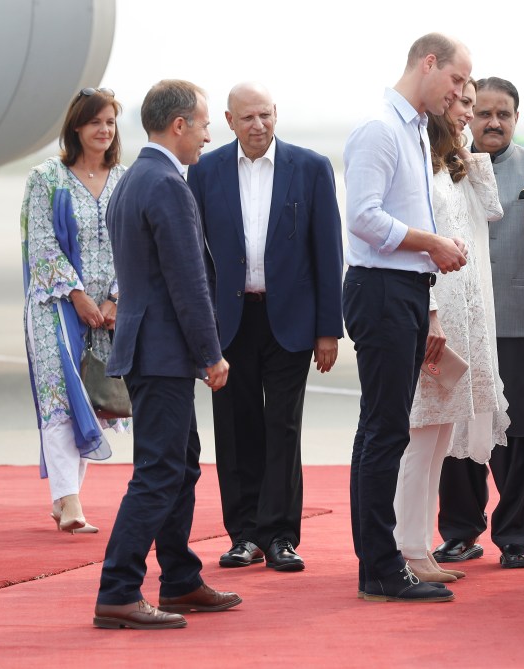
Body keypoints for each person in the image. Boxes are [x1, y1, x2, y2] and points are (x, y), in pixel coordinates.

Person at [94, 80, 240, 630]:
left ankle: (179, 579)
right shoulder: (167, 185)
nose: (208, 134)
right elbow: (187, 281)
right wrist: (211, 353)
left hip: (150, 350)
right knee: (159, 473)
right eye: (204, 124)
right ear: (178, 126)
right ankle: (118, 590)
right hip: (164, 354)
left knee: (179, 468)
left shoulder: (133, 179)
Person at [188, 82, 344, 573]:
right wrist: (201, 325)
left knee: (283, 425)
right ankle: (244, 535)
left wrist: (328, 328)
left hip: (290, 319)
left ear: (276, 115)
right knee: (235, 430)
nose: (259, 126)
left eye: (266, 115)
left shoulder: (310, 168)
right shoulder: (205, 171)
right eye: (248, 118)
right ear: (229, 122)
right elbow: (195, 255)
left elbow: (328, 251)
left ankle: (279, 535)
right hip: (230, 321)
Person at [343, 33, 471, 603]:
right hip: (382, 289)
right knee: (385, 428)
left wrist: (433, 251)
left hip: (406, 289)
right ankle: (379, 567)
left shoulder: (415, 130)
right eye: (458, 80)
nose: (460, 92)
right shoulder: (380, 129)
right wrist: (431, 243)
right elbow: (363, 218)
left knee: (382, 426)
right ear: (428, 64)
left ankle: (377, 561)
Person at [434, 76, 524, 569]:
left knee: (522, 435)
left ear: (517, 118)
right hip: (460, 326)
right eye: (484, 113)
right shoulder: (443, 171)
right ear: (467, 116)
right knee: (457, 431)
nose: (493, 122)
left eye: (504, 114)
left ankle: (516, 537)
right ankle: (458, 531)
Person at [393, 77, 509, 584]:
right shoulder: (420, 169)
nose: (470, 113)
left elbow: (491, 212)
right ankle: (405, 546)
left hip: (467, 321)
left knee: (441, 440)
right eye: (462, 104)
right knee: (420, 437)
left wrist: (464, 149)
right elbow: (419, 245)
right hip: (436, 319)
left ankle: (419, 547)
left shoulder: (456, 168)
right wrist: (433, 311)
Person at [21, 87, 124, 534]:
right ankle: (70, 501)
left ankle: (66, 498)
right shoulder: (47, 178)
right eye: (95, 121)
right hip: (55, 304)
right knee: (60, 397)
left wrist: (115, 299)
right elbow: (42, 245)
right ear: (77, 126)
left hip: (107, 311)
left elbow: (133, 246)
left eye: (111, 122)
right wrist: (78, 296)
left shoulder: (124, 179)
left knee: (92, 397)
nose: (104, 130)